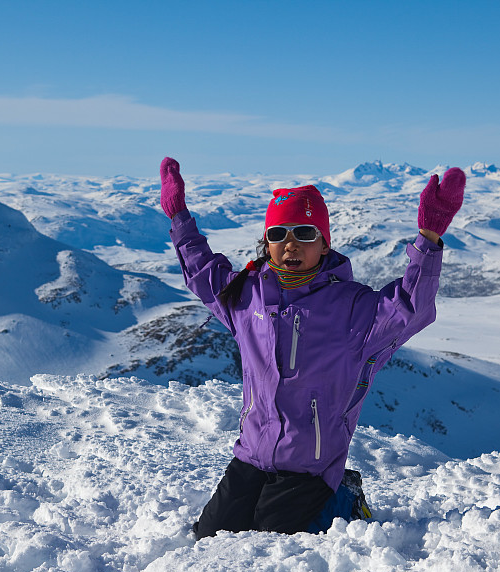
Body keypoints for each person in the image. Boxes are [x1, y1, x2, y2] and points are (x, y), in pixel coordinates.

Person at [160, 157, 465, 539]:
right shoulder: (245, 296)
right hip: (252, 455)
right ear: (266, 243)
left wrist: (429, 238)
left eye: (304, 233)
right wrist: (178, 216)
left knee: (269, 543)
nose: (291, 244)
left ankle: (341, 497)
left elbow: (410, 308)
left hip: (310, 465)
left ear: (324, 244)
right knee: (208, 538)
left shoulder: (351, 308)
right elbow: (203, 273)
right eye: (279, 234)